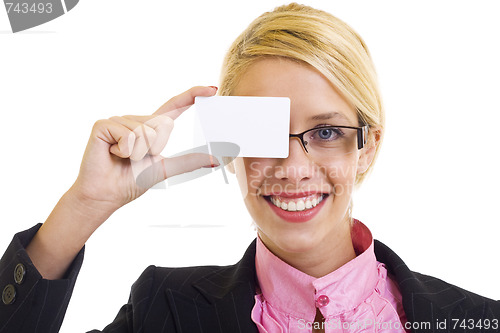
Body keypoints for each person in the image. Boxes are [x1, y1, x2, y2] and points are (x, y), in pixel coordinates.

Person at [1, 3, 499, 333]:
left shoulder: (478, 321)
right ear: (228, 144)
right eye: (264, 133)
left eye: (326, 132)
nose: (293, 167)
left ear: (366, 147)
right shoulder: (165, 310)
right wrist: (85, 206)